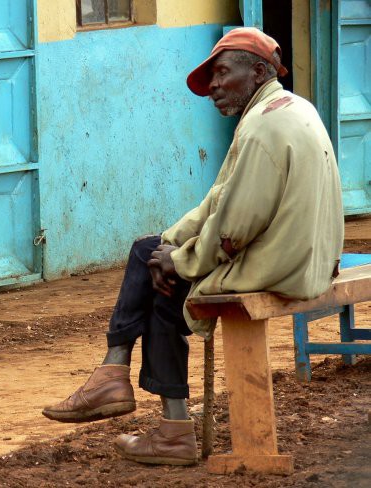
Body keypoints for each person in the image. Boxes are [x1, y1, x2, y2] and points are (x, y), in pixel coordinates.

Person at [42, 27, 344, 466]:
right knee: (150, 254)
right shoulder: (287, 110)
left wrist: (181, 260)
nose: (214, 88)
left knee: (160, 283)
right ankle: (120, 377)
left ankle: (147, 406)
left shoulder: (262, 129)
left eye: (223, 74)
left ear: (259, 71)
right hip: (305, 258)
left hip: (283, 266)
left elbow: (234, 229)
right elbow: (218, 200)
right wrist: (171, 243)